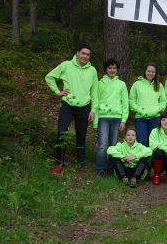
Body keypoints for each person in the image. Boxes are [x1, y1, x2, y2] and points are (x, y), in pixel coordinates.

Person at [45, 45, 98, 175]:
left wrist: (93, 110)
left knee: (81, 136)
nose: (85, 56)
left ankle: (81, 165)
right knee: (62, 132)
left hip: (84, 107)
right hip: (67, 105)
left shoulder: (92, 70)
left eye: (88, 54)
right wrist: (58, 91)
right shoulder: (66, 65)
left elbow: (95, 92)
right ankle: (59, 163)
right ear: (77, 53)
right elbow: (49, 77)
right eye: (83, 53)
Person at [94, 58, 129, 177]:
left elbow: (125, 104)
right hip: (103, 117)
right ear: (106, 69)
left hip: (116, 118)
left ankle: (111, 169)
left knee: (113, 145)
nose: (112, 70)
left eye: (114, 68)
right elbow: (96, 102)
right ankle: (101, 169)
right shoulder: (99, 83)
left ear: (117, 69)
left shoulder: (121, 84)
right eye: (110, 68)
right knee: (103, 144)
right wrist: (95, 121)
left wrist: (123, 120)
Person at [129, 63, 166, 146]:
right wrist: (139, 110)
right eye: (149, 71)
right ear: (145, 71)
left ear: (155, 73)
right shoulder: (137, 84)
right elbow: (131, 100)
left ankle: (153, 159)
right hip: (140, 117)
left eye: (153, 72)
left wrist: (156, 110)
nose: (150, 73)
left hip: (155, 117)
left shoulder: (159, 85)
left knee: (153, 142)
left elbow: (163, 102)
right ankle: (143, 159)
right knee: (142, 141)